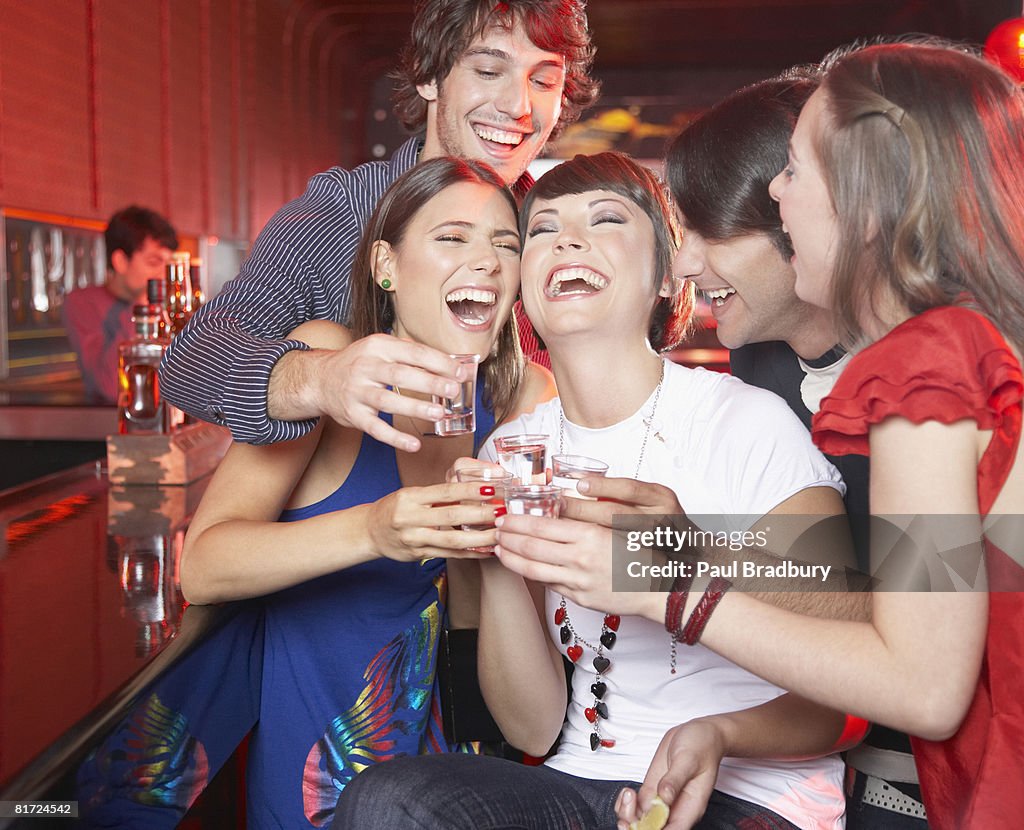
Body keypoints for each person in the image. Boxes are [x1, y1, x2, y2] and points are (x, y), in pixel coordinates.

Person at [332, 152, 863, 830]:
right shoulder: (512, 452)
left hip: (750, 794)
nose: (568, 240)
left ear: (667, 276)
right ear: (521, 284)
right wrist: (494, 551)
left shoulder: (744, 421)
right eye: (543, 230)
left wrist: (719, 731)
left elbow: (851, 687)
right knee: (385, 802)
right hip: (579, 788)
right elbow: (531, 729)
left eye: (606, 219)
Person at [609, 41, 1024, 830]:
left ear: (865, 196)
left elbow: (923, 686)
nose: (774, 191)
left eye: (794, 168)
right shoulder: (979, 343)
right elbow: (940, 596)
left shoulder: (928, 364)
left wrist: (665, 582)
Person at [179, 157, 556, 828]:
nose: (488, 262)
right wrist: (374, 530)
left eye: (506, 243)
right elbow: (203, 567)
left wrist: (493, 550)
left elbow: (528, 716)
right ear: (386, 265)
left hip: (460, 791)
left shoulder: (526, 401)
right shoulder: (326, 360)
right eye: (452, 237)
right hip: (316, 790)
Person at [159, 0, 598, 450]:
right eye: (488, 71)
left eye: (543, 81)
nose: (518, 105)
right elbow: (191, 361)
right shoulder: (343, 212)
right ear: (429, 77)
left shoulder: (558, 229)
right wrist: (321, 379)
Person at [664, 73, 921, 828]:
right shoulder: (763, 367)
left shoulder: (930, 371)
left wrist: (660, 562)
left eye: (710, 233)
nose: (683, 266)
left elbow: (910, 621)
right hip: (843, 755)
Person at [63, 205, 177, 403]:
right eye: (153, 262)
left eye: (167, 264)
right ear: (121, 261)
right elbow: (108, 385)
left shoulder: (169, 306)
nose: (162, 274)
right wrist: (142, 310)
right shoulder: (83, 303)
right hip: (109, 424)